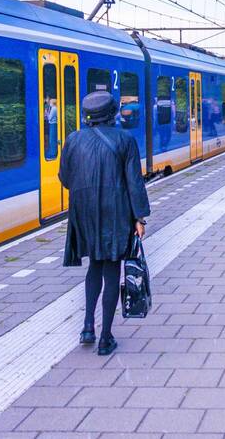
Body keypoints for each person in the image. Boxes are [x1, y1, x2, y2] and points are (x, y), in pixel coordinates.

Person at [60, 91, 150, 356]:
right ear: (112, 114)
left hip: (84, 212)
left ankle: (87, 327)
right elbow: (134, 182)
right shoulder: (124, 139)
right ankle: (105, 337)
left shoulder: (73, 140)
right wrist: (139, 217)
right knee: (111, 271)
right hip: (115, 212)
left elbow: (65, 177)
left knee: (94, 268)